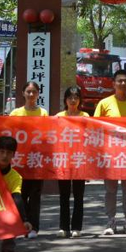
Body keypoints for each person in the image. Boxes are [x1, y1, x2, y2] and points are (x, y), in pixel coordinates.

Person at [94, 68, 126, 235]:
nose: (123, 83)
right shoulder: (104, 104)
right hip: (110, 154)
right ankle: (111, 221)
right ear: (113, 84)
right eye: (119, 81)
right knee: (110, 190)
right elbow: (95, 127)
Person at [5, 81, 47, 238]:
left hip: (36, 160)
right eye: (28, 91)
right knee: (20, 195)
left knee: (35, 195)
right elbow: (7, 131)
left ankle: (34, 228)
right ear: (23, 93)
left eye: (34, 91)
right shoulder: (15, 113)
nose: (31, 94)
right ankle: (22, 225)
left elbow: (48, 134)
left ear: (38, 94)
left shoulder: (43, 113)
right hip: (19, 160)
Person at [55, 86, 89, 238]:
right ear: (65, 100)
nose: (73, 100)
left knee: (78, 195)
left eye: (76, 97)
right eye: (70, 97)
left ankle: (76, 227)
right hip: (63, 159)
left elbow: (89, 136)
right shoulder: (59, 117)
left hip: (79, 160)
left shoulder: (85, 116)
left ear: (80, 100)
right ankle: (63, 227)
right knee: (64, 195)